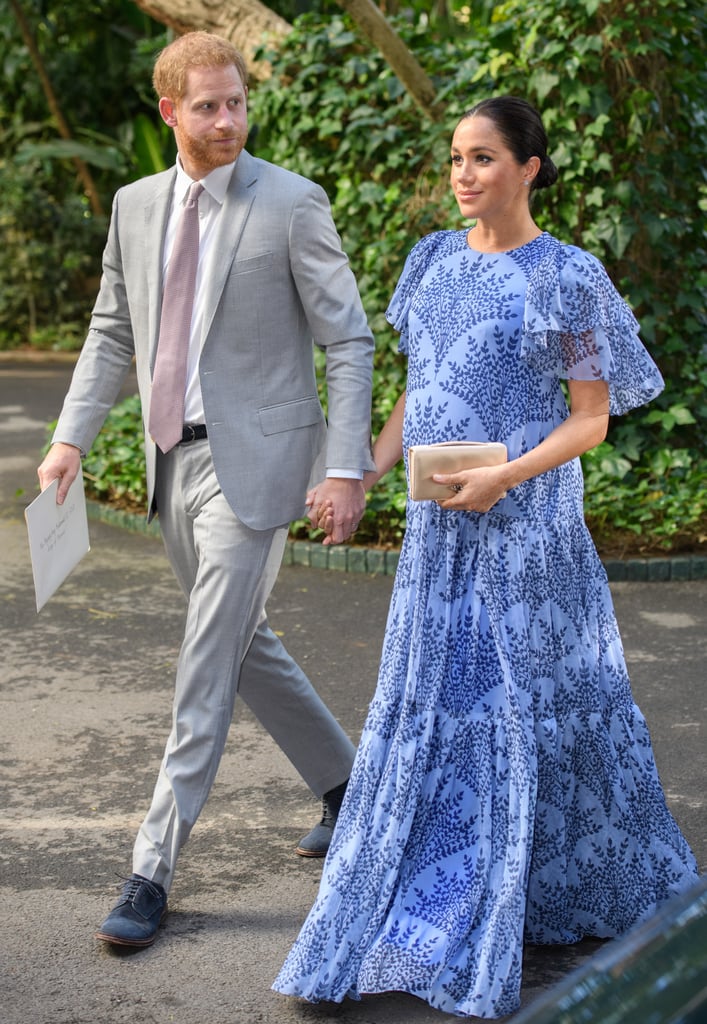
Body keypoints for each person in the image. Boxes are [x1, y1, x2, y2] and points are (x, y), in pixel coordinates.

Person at [273, 96, 699, 1018]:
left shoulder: (567, 277)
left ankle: (538, 886)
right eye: (456, 159)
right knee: (441, 697)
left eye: (482, 158)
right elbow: (417, 390)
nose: (462, 174)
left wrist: (505, 476)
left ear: (529, 167)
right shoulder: (430, 260)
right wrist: (360, 470)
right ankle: (437, 875)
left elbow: (590, 417)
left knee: (520, 703)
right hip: (437, 530)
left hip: (525, 529)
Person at [37, 31, 375, 949]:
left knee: (203, 658)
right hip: (168, 463)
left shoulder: (292, 204)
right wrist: (71, 438)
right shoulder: (135, 206)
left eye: (238, 103)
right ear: (169, 113)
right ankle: (354, 787)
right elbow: (113, 330)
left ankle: (151, 868)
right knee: (240, 642)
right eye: (209, 107)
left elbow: (346, 340)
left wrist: (344, 465)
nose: (229, 121)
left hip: (258, 470)